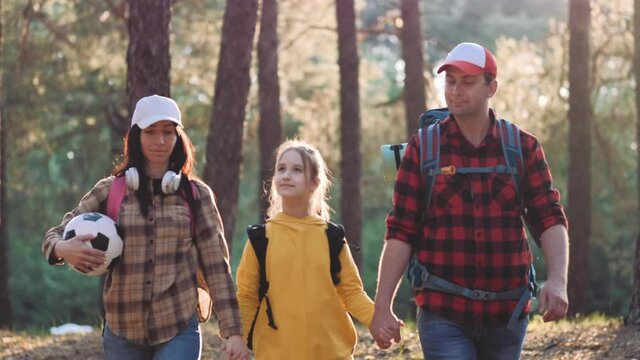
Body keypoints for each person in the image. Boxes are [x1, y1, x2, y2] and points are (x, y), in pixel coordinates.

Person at [369, 42, 569, 359]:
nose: (456, 91)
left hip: (509, 313)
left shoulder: (522, 147)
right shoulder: (422, 149)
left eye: (468, 82)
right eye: (450, 81)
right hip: (442, 310)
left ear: (492, 87)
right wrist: (382, 307)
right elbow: (401, 231)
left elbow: (549, 218)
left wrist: (557, 282)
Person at [42, 95, 249, 360]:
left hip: (178, 326)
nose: (160, 140)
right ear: (136, 136)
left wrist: (233, 332)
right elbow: (54, 234)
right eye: (150, 132)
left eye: (167, 132)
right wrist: (62, 248)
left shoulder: (196, 195)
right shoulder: (110, 190)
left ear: (178, 138)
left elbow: (216, 265)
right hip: (121, 329)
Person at [236, 140, 376, 359]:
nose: (286, 175)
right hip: (275, 353)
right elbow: (246, 297)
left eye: (297, 170)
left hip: (331, 352)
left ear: (313, 183)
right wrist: (239, 341)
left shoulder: (332, 237)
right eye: (281, 169)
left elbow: (352, 292)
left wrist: (377, 320)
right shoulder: (260, 239)